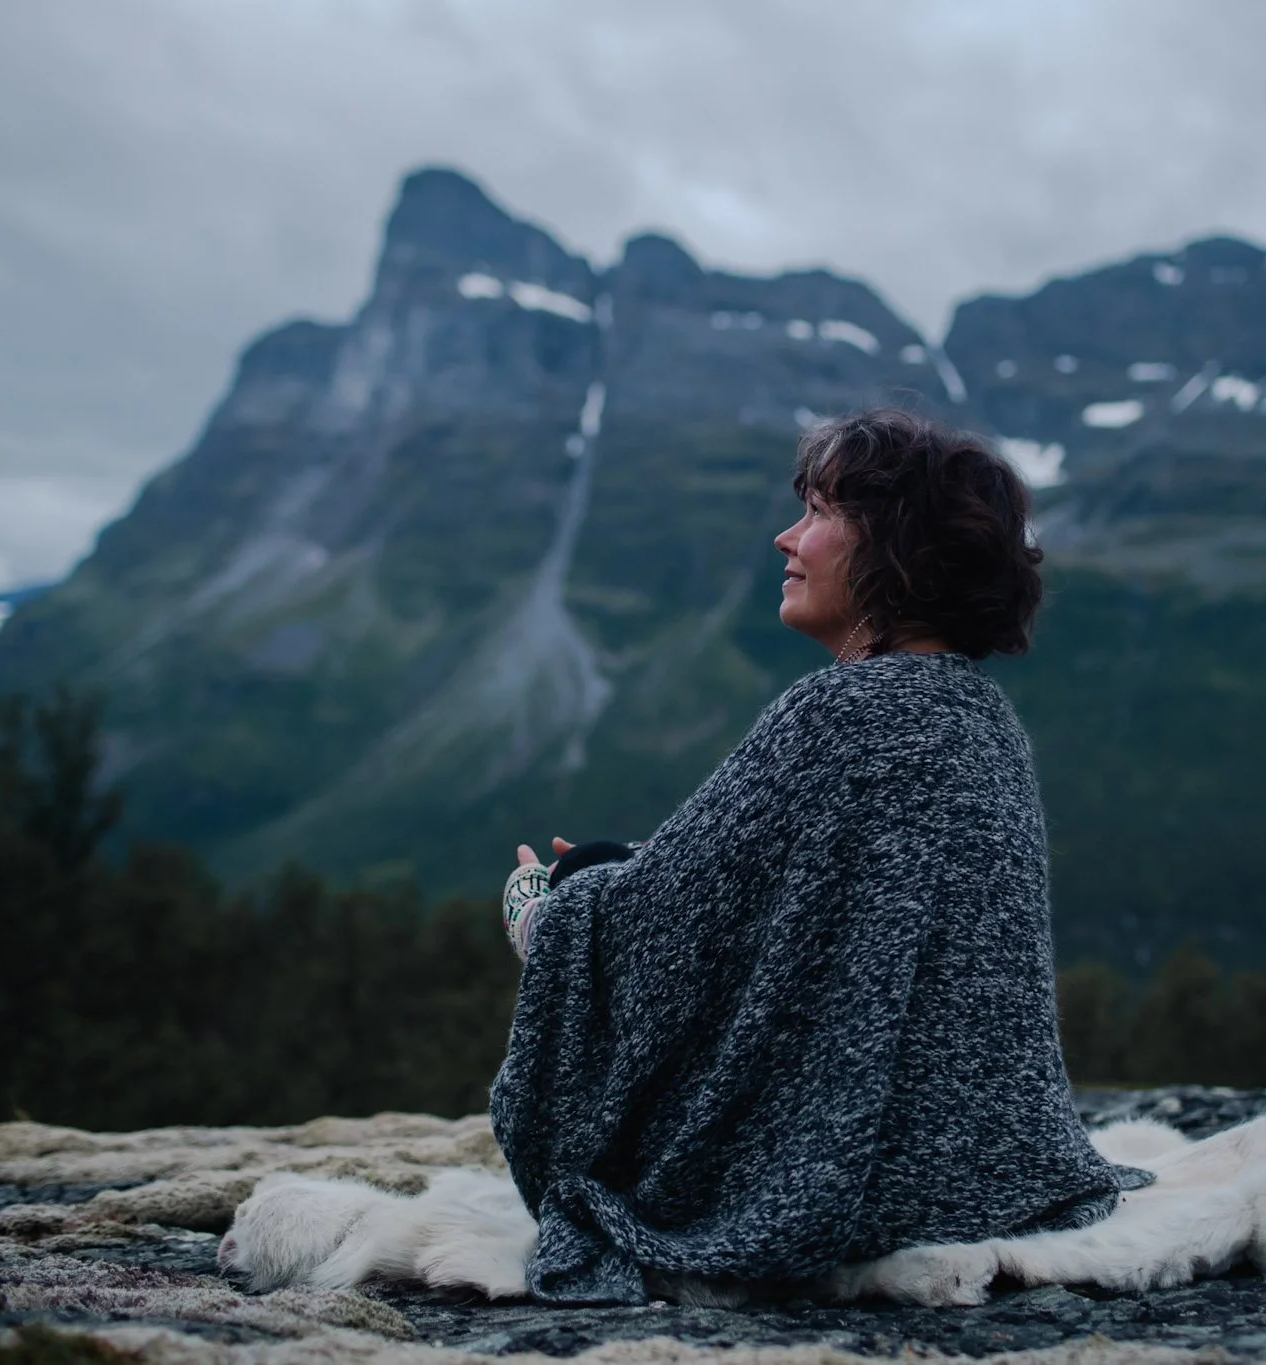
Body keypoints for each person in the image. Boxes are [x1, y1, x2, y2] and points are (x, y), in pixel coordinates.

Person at [489, 407, 1150, 1306]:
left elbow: (656, 941)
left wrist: (546, 908)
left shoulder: (837, 713)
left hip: (862, 1186)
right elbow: (804, 913)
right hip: (996, 1170)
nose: (786, 536)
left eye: (818, 510)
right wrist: (627, 868)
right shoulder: (983, 721)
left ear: (897, 544)